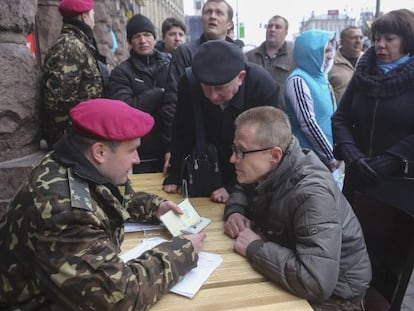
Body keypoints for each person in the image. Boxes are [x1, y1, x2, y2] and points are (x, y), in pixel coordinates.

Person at [0, 98, 206, 309]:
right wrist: (182, 251)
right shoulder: (65, 213)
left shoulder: (70, 161)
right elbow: (121, 297)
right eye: (132, 150)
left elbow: (107, 196)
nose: (136, 159)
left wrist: (155, 207)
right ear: (100, 152)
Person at [223, 106, 371, 310]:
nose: (233, 159)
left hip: (336, 300)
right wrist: (236, 210)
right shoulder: (269, 168)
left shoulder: (311, 194)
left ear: (275, 154)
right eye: (234, 149)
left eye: (241, 152)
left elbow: (315, 282)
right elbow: (242, 186)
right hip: (297, 273)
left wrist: (255, 248)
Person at [332, 9, 414, 303]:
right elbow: (340, 119)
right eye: (377, 38)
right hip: (359, 179)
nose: (380, 45)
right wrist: (352, 155)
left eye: (389, 39)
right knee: (351, 250)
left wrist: (390, 158)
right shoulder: (363, 73)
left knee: (389, 263)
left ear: (406, 41)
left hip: (398, 186)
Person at [163, 40, 280, 204]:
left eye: (220, 88)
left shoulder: (263, 87)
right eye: (206, 87)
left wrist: (234, 187)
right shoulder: (190, 82)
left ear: (240, 77)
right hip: (207, 164)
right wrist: (174, 173)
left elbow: (265, 147)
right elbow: (182, 130)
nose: (212, 96)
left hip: (248, 164)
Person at [108, 14, 173, 174]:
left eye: (147, 35)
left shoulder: (171, 65)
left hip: (173, 150)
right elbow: (124, 111)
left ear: (154, 37)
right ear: (130, 42)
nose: (143, 41)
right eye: (137, 36)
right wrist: (158, 94)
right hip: (142, 155)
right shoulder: (121, 73)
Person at [40, 0, 108, 149]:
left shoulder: (80, 44)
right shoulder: (69, 46)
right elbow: (57, 103)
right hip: (74, 142)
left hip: (83, 138)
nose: (94, 18)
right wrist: (70, 140)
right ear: (84, 16)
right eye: (92, 14)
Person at [285, 29, 340, 172]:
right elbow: (308, 124)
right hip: (308, 160)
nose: (330, 56)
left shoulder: (320, 77)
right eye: (325, 51)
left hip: (324, 159)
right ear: (310, 53)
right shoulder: (298, 80)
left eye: (331, 50)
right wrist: (331, 157)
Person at [246, 15, 295, 110]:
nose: (272, 29)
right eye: (269, 26)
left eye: (278, 27)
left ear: (286, 32)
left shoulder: (294, 58)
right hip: (255, 114)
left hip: (282, 116)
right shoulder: (249, 57)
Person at [328, 26, 364, 104]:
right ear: (342, 42)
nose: (358, 41)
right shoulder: (330, 63)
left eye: (361, 38)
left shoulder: (369, 61)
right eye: (353, 38)